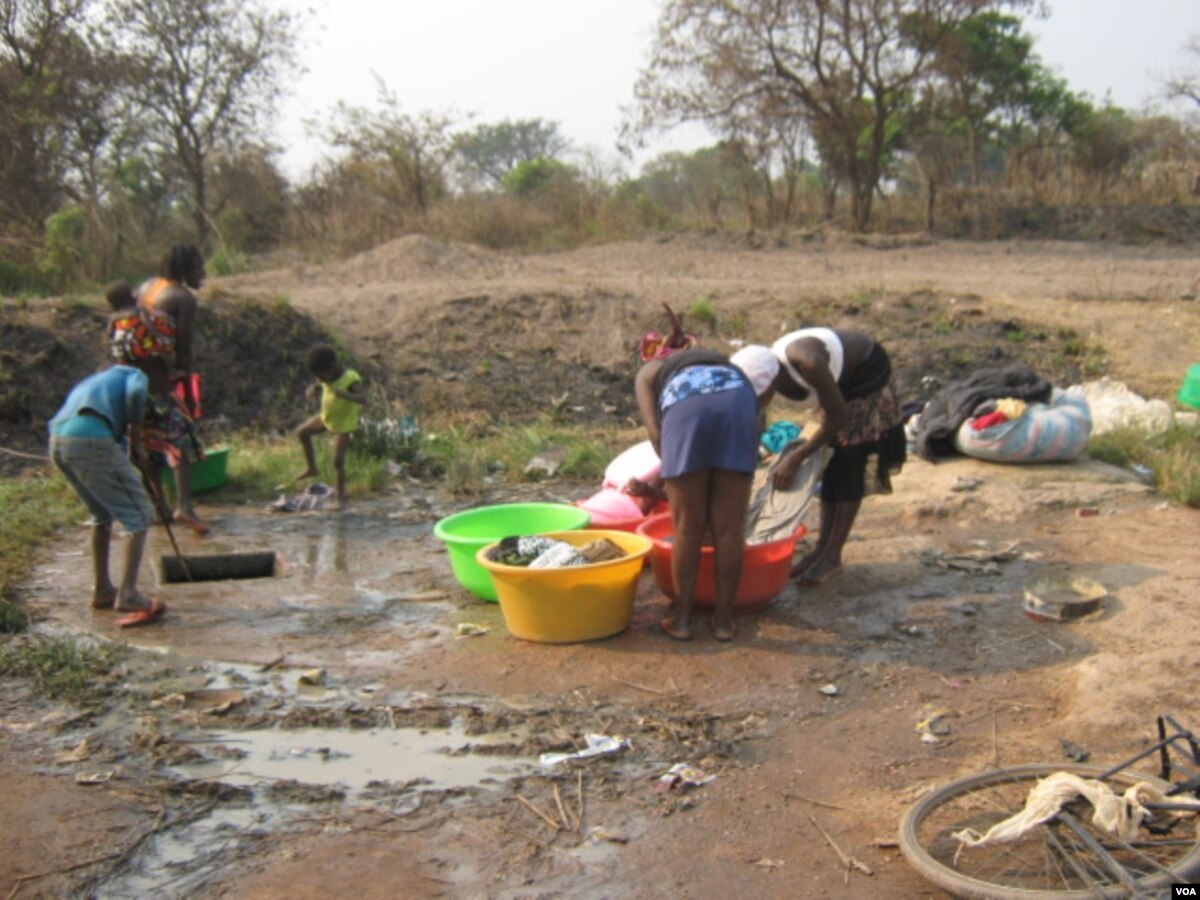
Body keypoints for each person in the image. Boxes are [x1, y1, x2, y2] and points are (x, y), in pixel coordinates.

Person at [736, 328, 905, 588]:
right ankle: (821, 549)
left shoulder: (808, 362)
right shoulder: (768, 371)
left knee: (850, 463)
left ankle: (832, 556)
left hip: (865, 374)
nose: (758, 403)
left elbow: (838, 417)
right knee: (832, 465)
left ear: (769, 382)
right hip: (838, 386)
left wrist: (795, 458)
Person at [634, 346, 778, 642]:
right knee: (729, 529)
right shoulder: (731, 372)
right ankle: (724, 622)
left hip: (686, 406)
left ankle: (682, 621)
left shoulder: (648, 373)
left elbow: (657, 436)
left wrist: (675, 478)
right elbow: (756, 424)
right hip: (739, 404)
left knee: (687, 528)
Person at [48, 365, 166, 627]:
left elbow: (113, 437)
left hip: (58, 440)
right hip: (91, 440)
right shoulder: (134, 374)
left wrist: (129, 453)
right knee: (140, 514)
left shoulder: (98, 379)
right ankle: (129, 595)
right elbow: (136, 393)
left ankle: (102, 589)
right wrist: (137, 441)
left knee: (100, 514)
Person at [137, 244, 208, 535]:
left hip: (135, 381)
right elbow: (183, 345)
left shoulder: (148, 288)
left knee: (147, 443)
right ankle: (184, 507)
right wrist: (187, 384)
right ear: (186, 267)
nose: (203, 274)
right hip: (162, 382)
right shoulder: (182, 297)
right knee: (179, 442)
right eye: (199, 267)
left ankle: (159, 507)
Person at [293, 343, 366, 507]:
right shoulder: (326, 376)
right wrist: (313, 388)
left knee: (337, 461)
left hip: (343, 425)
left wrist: (345, 395)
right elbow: (320, 384)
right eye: (319, 377)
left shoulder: (350, 378)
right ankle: (312, 468)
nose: (322, 380)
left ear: (332, 366)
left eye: (323, 376)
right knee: (302, 432)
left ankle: (340, 497)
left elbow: (363, 398)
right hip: (326, 418)